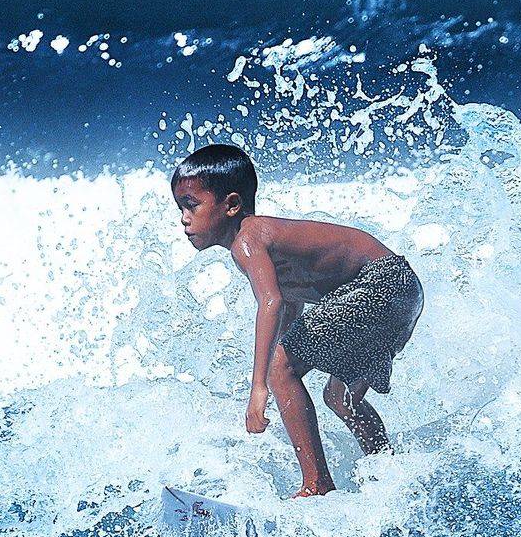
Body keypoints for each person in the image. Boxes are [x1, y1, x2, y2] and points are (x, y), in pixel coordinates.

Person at [170, 144, 423, 497]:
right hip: (402, 290)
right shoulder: (265, 239)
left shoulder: (248, 239)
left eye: (191, 205)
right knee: (340, 396)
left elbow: (271, 302)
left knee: (279, 367)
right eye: (180, 208)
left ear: (231, 205)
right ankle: (389, 472)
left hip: (380, 284)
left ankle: (317, 484)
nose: (184, 218)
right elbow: (290, 307)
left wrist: (260, 387)